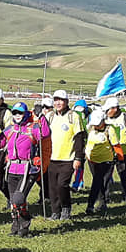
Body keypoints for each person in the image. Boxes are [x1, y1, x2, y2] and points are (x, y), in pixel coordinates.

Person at [0, 102, 47, 236]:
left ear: (25, 114)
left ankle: (25, 221)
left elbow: (45, 134)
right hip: (12, 168)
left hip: (28, 169)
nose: (17, 115)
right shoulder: (10, 129)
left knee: (19, 199)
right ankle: (16, 227)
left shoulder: (33, 128)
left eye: (20, 112)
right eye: (14, 112)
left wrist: (41, 117)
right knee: (13, 202)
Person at [44, 90, 86, 220]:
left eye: (61, 100)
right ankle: (55, 211)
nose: (58, 103)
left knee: (62, 185)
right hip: (52, 158)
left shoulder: (74, 117)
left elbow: (79, 138)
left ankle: (66, 207)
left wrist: (78, 158)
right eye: (56, 100)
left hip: (68, 158)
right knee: (52, 187)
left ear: (66, 102)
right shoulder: (50, 116)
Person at [102, 96, 126, 201]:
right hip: (108, 153)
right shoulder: (105, 119)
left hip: (125, 153)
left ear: (115, 108)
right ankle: (104, 198)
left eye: (108, 110)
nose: (106, 112)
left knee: (125, 176)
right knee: (106, 176)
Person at [84, 110, 116, 215]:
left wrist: (120, 159)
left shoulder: (109, 130)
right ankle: (101, 202)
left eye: (98, 124)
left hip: (106, 161)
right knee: (98, 182)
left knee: (99, 182)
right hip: (92, 161)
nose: (96, 126)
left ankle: (92, 205)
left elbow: (116, 145)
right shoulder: (90, 129)